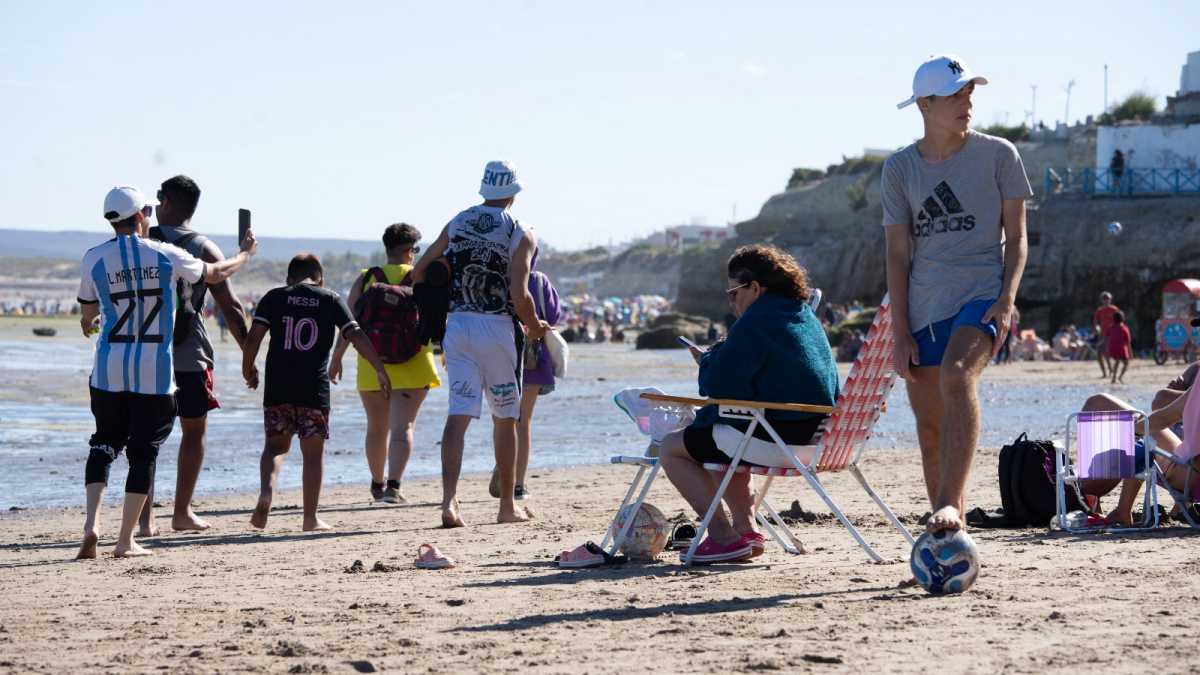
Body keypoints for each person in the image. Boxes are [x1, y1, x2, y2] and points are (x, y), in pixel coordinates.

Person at [883, 54, 1032, 533]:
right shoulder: (899, 169)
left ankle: (947, 503)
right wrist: (899, 332)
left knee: (958, 373)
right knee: (930, 432)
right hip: (924, 305)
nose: (966, 102)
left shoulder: (999, 155)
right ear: (925, 104)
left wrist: (1006, 299)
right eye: (955, 94)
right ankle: (949, 529)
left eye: (969, 92)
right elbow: (898, 256)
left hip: (982, 294)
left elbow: (1018, 237)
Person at [75, 186, 256, 559]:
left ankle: (92, 524)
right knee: (143, 451)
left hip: (108, 368)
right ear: (142, 215)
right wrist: (244, 254)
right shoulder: (165, 254)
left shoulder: (94, 258)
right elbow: (216, 273)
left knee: (103, 442)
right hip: (154, 370)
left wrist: (89, 322)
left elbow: (88, 314)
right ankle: (125, 541)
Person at [658, 245, 838, 563]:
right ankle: (746, 531)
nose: (731, 301)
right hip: (818, 439)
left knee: (673, 448)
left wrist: (707, 360)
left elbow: (717, 385)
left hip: (778, 439)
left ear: (755, 287)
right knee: (720, 434)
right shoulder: (803, 315)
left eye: (734, 292)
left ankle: (723, 537)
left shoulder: (757, 321)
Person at [411, 160, 548, 528]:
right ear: (514, 194)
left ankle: (449, 502)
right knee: (505, 417)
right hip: (498, 330)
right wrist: (534, 327)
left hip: (457, 327)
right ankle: (506, 506)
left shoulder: (457, 221)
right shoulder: (521, 231)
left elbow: (420, 270)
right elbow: (520, 294)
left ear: (483, 189)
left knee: (458, 415)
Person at [243, 254, 392, 531]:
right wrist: (379, 369)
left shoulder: (275, 297)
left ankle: (266, 491)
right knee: (312, 456)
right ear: (320, 277)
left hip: (278, 387)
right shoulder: (330, 299)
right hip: (313, 389)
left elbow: (254, 337)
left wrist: (247, 368)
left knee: (275, 447)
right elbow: (355, 334)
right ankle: (310, 518)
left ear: (289, 278)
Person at [140, 175, 251, 535]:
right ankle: (182, 512)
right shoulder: (204, 248)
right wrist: (249, 357)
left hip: (145, 351)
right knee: (193, 431)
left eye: (159, 198)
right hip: (189, 351)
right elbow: (231, 308)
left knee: (146, 435)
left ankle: (144, 519)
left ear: (168, 201)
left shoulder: (143, 242)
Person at [330, 223, 440, 504]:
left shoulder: (367, 278)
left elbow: (349, 323)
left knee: (376, 428)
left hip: (372, 363)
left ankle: (377, 485)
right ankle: (394, 486)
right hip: (415, 363)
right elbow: (436, 322)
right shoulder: (421, 277)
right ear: (409, 251)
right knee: (404, 428)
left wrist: (337, 356)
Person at [488, 250, 562, 502]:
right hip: (533, 357)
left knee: (501, 418)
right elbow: (553, 317)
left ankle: (503, 467)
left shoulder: (496, 278)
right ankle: (518, 484)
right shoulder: (539, 281)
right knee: (524, 421)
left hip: (498, 353)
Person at [1093, 292, 1120, 379]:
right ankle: (1105, 372)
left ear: (1110, 299)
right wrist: (1097, 328)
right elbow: (1096, 322)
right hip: (1102, 335)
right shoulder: (1100, 310)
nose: (1106, 300)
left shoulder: (1114, 309)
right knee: (1099, 354)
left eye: (1107, 298)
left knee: (1107, 353)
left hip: (1111, 335)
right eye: (1104, 298)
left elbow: (1120, 321)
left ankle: (1111, 371)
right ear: (1102, 300)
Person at [1105, 311, 1132, 383]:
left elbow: (1107, 339)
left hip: (1113, 348)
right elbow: (1128, 342)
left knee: (1117, 361)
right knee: (1126, 363)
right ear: (1123, 318)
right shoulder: (1124, 328)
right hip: (1122, 348)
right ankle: (1120, 377)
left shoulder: (1110, 327)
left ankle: (1114, 378)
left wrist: (1107, 349)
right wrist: (1130, 352)